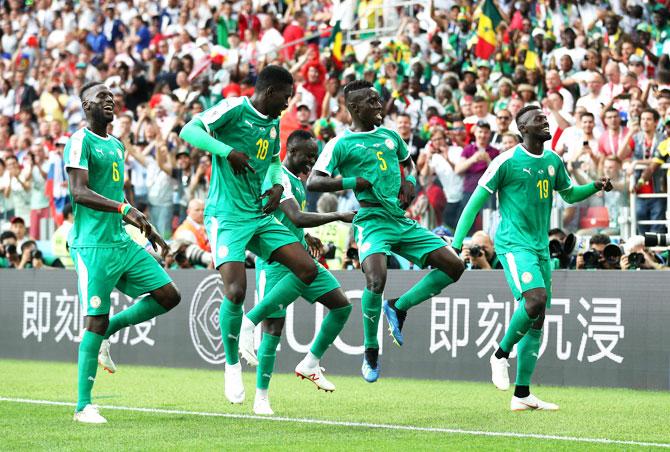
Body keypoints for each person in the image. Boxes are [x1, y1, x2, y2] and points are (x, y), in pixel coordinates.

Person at [179, 65, 350, 405]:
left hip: (258, 214)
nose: (287, 105)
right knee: (236, 290)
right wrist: (226, 151)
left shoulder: (272, 124)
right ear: (270, 92)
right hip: (226, 215)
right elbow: (189, 130)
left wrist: (273, 184)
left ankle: (247, 326)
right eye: (286, 98)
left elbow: (273, 162)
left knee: (307, 269)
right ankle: (231, 366)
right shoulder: (233, 108)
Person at [452, 105, 612, 411]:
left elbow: (569, 194)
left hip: (540, 246)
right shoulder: (506, 162)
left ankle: (522, 393)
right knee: (534, 300)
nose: (545, 122)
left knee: (537, 318)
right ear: (522, 128)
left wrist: (594, 186)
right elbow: (474, 203)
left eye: (545, 118)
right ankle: (500, 355)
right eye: (538, 120)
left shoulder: (552, 160)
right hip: (513, 244)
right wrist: (458, 243)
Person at [307, 80, 464, 383]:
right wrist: (354, 183)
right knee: (376, 279)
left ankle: (398, 306)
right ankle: (370, 350)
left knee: (455, 266)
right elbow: (314, 181)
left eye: (379, 101)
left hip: (400, 218)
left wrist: (411, 183)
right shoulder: (340, 143)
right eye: (372, 102)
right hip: (371, 220)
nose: (379, 107)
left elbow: (410, 167)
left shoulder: (391, 135)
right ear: (354, 107)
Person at [65, 82, 181, 424]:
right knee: (94, 319)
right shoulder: (79, 141)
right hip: (93, 246)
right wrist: (121, 209)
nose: (109, 101)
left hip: (121, 241)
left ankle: (108, 334)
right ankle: (83, 406)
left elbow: (118, 196)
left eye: (111, 97)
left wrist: (148, 226)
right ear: (86, 105)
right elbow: (79, 191)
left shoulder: (116, 145)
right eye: (101, 97)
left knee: (168, 295)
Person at [250, 130, 355, 415]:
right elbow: (294, 215)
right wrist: (337, 215)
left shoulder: (297, 181)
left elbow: (290, 220)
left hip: (301, 257)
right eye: (307, 156)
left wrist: (305, 235)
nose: (312, 161)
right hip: (275, 262)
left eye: (314, 156)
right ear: (290, 151)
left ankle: (310, 363)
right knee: (272, 329)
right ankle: (261, 397)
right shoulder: (278, 178)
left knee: (342, 306)